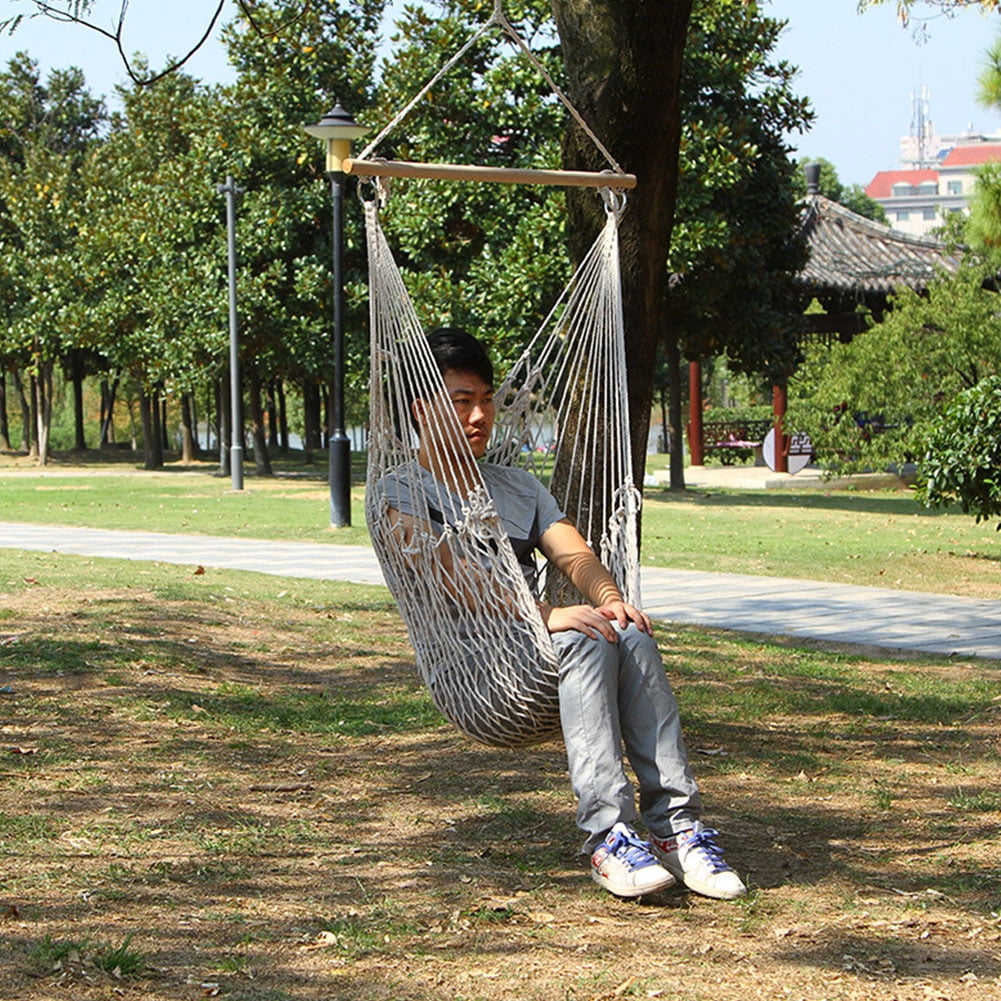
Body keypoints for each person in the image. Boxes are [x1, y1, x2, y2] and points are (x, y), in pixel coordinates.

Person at [387, 326, 746, 901]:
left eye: (486, 400)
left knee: (622, 630)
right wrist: (543, 613)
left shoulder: (519, 488)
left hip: (537, 654)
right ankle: (608, 834)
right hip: (477, 671)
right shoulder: (398, 490)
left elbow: (573, 552)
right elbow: (445, 572)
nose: (479, 415)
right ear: (421, 408)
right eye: (461, 401)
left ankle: (677, 828)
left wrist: (608, 598)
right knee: (582, 638)